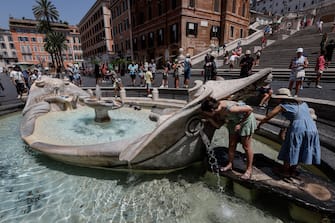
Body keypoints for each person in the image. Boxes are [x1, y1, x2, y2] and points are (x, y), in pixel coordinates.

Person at [257, 88, 321, 177]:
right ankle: (293, 170)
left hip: (299, 128)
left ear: (280, 98)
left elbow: (268, 117)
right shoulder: (303, 103)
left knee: (291, 147)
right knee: (301, 147)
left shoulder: (282, 106)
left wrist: (259, 124)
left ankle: (285, 171)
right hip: (312, 127)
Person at [201, 97, 257, 180]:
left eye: (207, 113)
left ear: (212, 110)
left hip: (245, 121)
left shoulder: (231, 109)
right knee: (231, 144)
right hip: (233, 121)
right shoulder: (217, 109)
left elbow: (249, 109)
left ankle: (249, 170)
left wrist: (240, 124)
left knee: (246, 146)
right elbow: (218, 126)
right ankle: (230, 164)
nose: (206, 114)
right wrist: (209, 119)